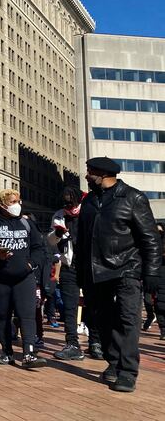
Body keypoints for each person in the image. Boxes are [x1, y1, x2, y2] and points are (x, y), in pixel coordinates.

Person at [76, 157, 161, 392]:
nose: (86, 176)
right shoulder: (90, 202)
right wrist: (80, 273)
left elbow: (150, 239)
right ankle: (113, 363)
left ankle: (128, 371)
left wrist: (152, 272)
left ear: (103, 174)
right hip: (96, 271)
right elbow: (82, 240)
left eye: (89, 172)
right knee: (102, 321)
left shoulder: (133, 198)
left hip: (127, 269)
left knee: (128, 319)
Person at [0, 189, 48, 368]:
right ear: (2, 205)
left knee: (27, 315)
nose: (17, 205)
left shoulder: (27, 223)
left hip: (24, 277)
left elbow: (39, 248)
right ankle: (7, 352)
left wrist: (30, 265)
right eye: (13, 202)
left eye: (18, 201)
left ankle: (29, 353)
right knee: (2, 315)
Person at [48, 186, 98, 361]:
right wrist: (57, 233)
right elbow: (51, 241)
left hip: (90, 265)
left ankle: (95, 342)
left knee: (93, 305)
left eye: (71, 202)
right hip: (70, 265)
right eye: (65, 203)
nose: (68, 206)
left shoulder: (89, 211)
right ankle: (72, 344)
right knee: (69, 307)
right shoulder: (59, 215)